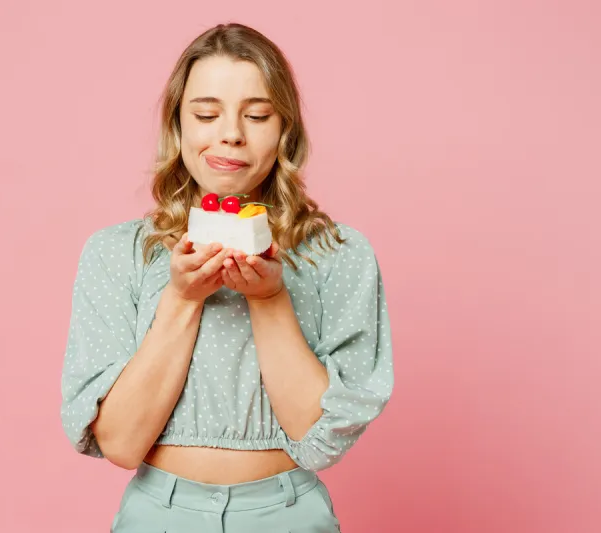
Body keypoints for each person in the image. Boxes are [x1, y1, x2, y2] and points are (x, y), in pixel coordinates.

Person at [60, 22, 394, 533]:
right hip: (158, 514)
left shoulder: (338, 253)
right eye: (206, 113)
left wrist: (269, 298)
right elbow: (122, 445)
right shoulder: (116, 253)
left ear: (285, 128)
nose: (231, 133)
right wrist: (180, 298)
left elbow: (318, 439)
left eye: (257, 114)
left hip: (288, 513)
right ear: (178, 125)